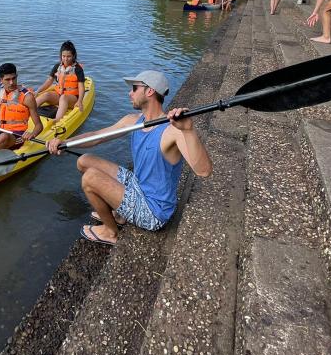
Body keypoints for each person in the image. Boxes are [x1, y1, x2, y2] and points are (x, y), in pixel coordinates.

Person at [47, 70, 212, 246]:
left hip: (153, 210)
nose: (129, 93)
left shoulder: (171, 130)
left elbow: (204, 171)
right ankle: (119, 214)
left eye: (134, 88)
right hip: (137, 185)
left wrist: (188, 130)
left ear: (149, 91)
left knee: (90, 178)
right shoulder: (133, 120)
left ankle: (110, 232)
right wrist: (65, 143)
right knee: (85, 161)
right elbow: (98, 136)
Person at [35, 41, 86, 124]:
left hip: (72, 99)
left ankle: (57, 120)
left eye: (69, 56)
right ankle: (29, 110)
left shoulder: (78, 69)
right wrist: (38, 91)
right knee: (47, 94)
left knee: (64, 98)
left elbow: (81, 87)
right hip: (59, 95)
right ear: (61, 55)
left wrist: (79, 101)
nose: (66, 59)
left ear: (73, 56)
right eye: (63, 56)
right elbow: (49, 81)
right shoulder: (57, 66)